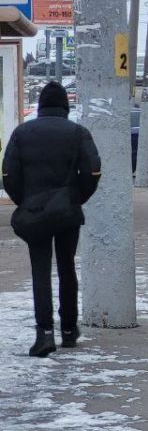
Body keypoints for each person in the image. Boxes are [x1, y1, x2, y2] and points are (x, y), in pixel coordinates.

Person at [1, 81, 102, 357]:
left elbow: (8, 175)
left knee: (40, 271)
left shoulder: (22, 133)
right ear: (65, 107)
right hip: (68, 212)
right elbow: (93, 171)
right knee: (67, 268)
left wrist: (27, 201)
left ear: (41, 106)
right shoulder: (78, 132)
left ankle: (44, 334)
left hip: (35, 215)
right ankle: (69, 330)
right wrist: (76, 198)